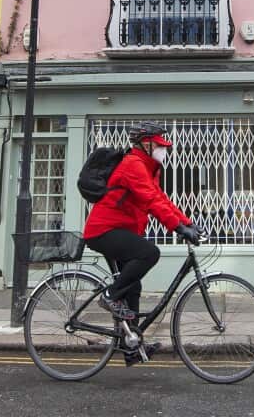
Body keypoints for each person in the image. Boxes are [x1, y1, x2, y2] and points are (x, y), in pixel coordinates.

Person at [82, 121, 200, 365]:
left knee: (133, 285)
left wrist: (187, 223)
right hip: (104, 230)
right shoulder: (133, 164)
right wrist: (177, 228)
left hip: (120, 230)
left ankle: (130, 346)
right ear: (146, 144)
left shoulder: (148, 168)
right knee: (149, 253)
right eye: (159, 145)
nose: (164, 150)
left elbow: (161, 199)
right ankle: (110, 297)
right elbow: (150, 201)